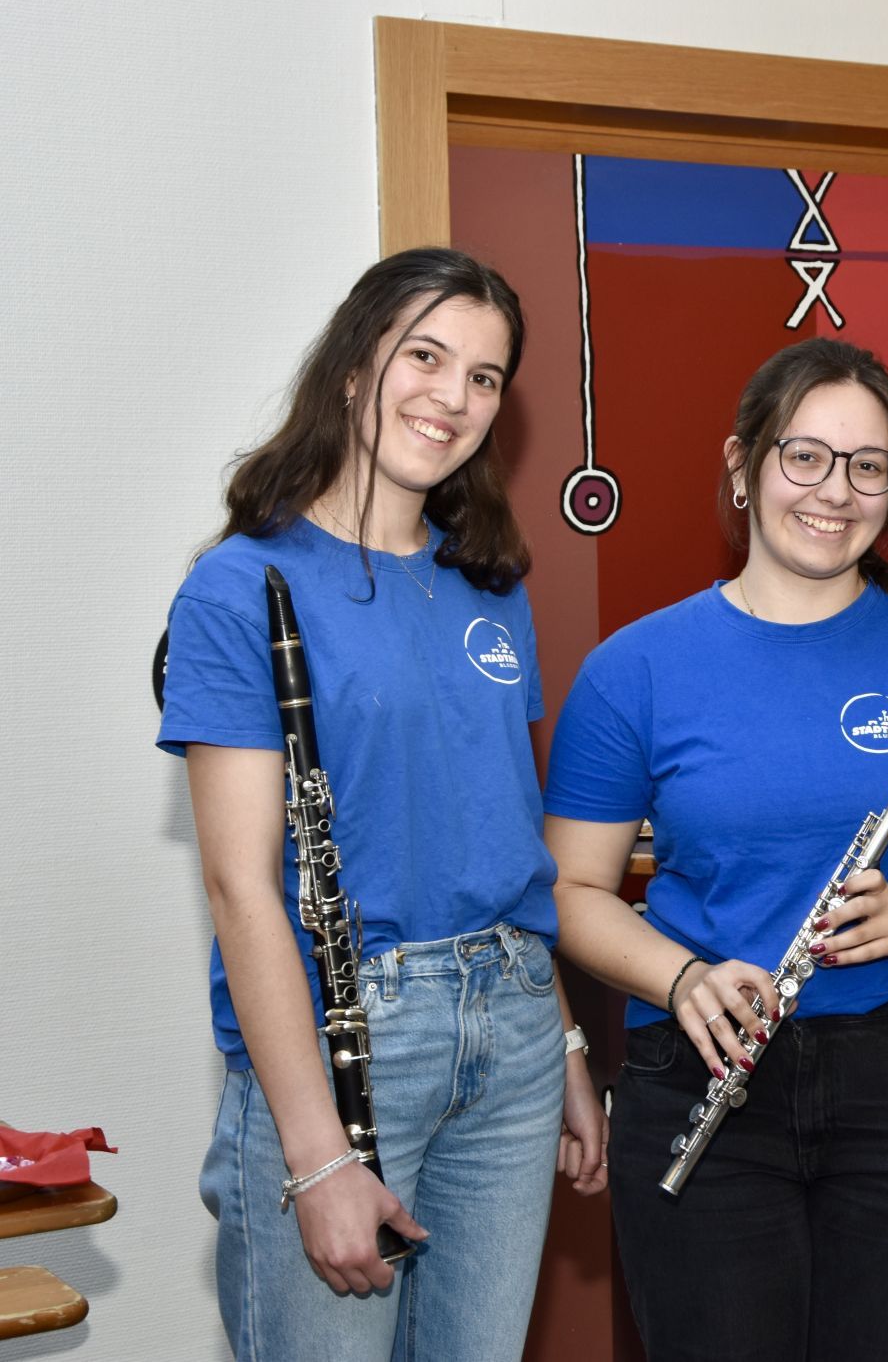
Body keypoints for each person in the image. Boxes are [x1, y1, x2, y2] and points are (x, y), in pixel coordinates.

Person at [544, 337, 888, 1362]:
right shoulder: (635, 669)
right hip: (706, 1067)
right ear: (743, 468)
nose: (835, 491)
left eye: (867, 465)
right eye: (805, 457)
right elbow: (569, 887)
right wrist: (682, 974)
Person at [158, 247, 609, 1361]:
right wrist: (316, 1156)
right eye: (426, 357)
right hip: (347, 1039)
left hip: (507, 1020)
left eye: (486, 377)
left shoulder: (490, 586)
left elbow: (504, 842)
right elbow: (240, 887)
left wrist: (560, 1046)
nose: (452, 398)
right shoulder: (240, 587)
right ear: (356, 368)